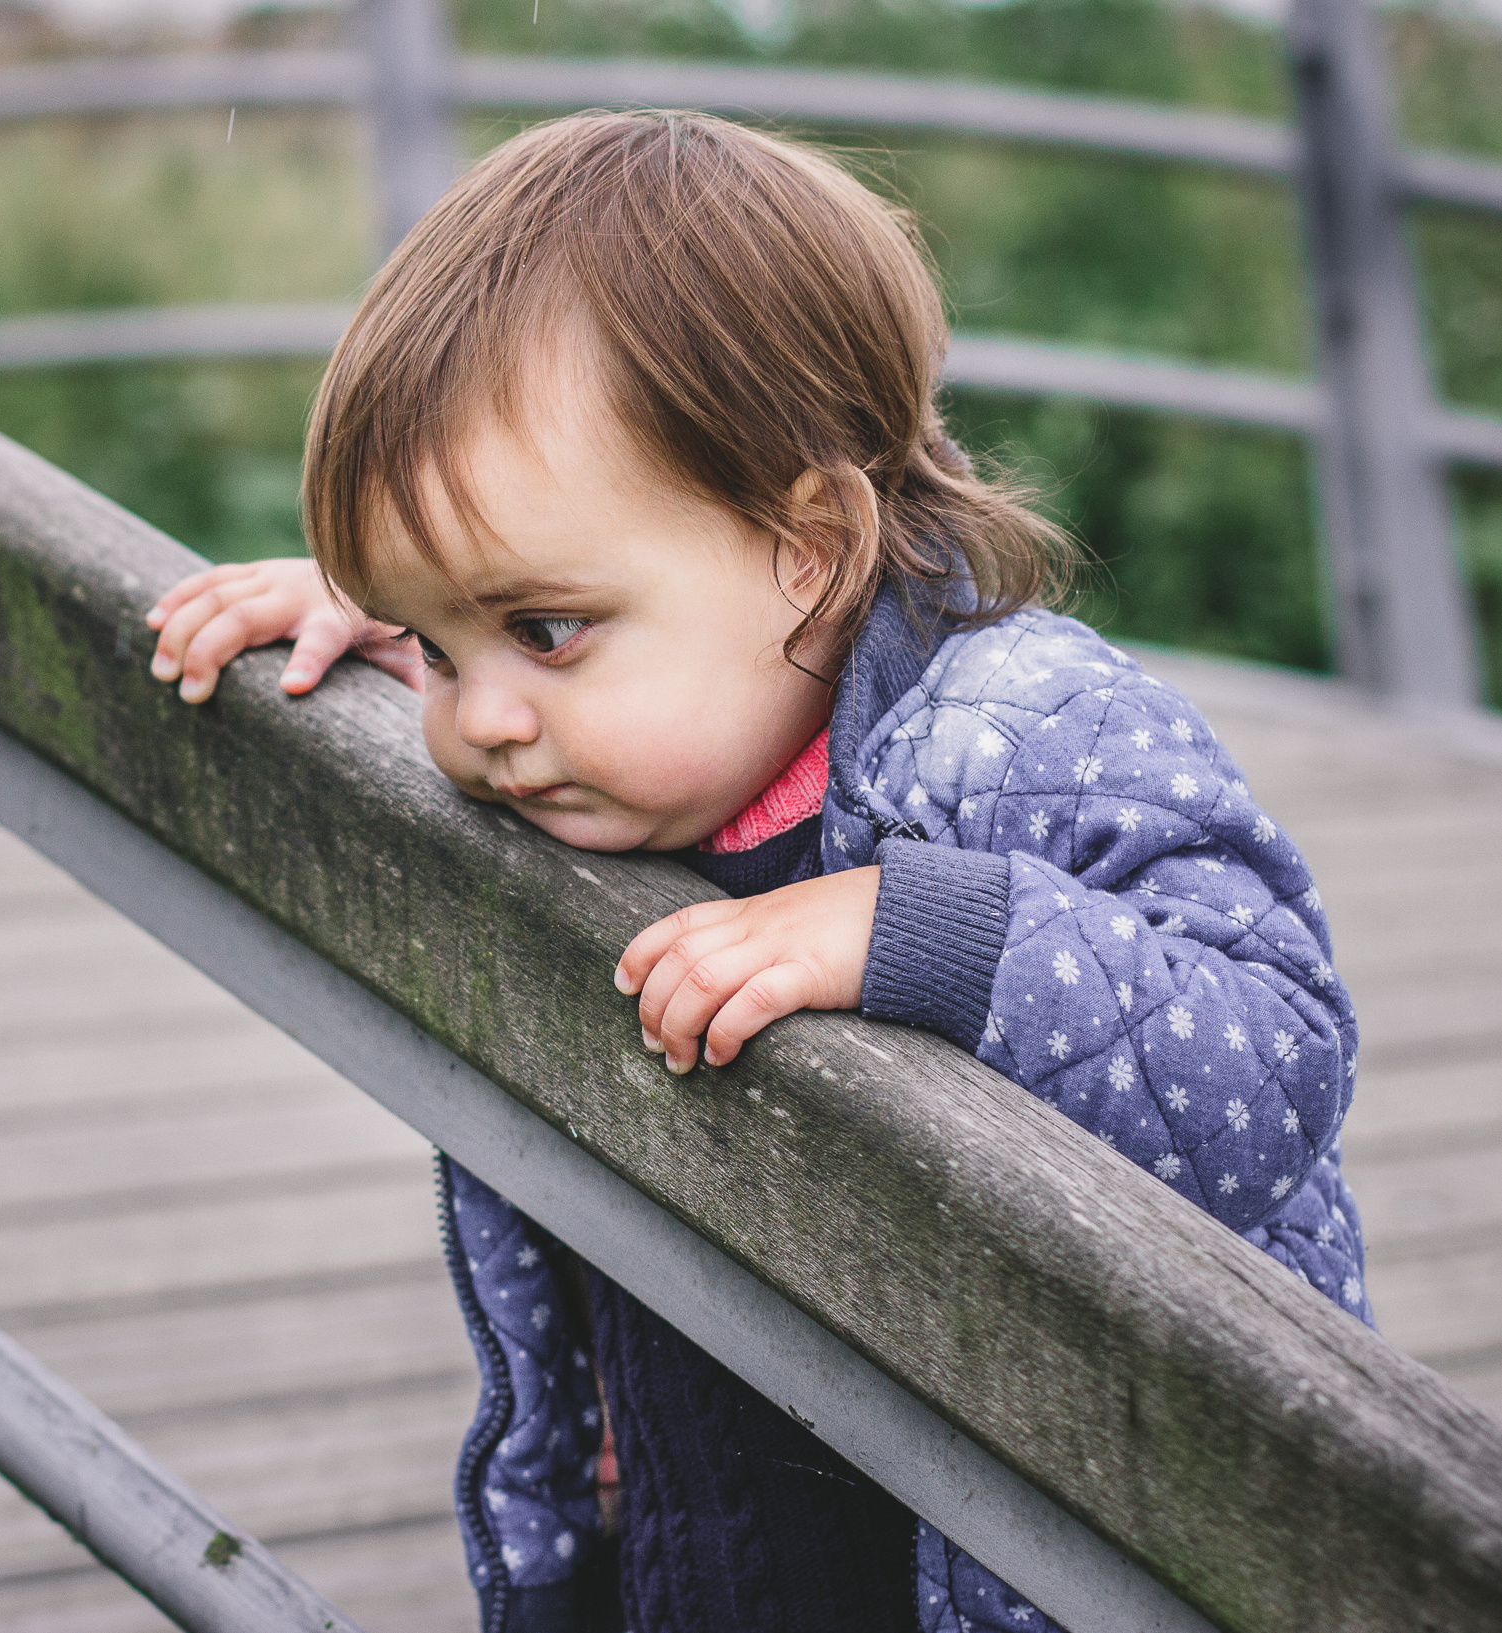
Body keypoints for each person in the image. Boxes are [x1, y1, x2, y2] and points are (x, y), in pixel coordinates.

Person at [144, 110, 1371, 1633]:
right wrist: (384, 628)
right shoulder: (642, 707)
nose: (484, 721)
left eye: (538, 629)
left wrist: (928, 931)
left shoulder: (1032, 739)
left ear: (809, 547)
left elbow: (1278, 1055)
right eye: (441, 641)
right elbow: (548, 636)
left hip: (1012, 1556)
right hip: (698, 1519)